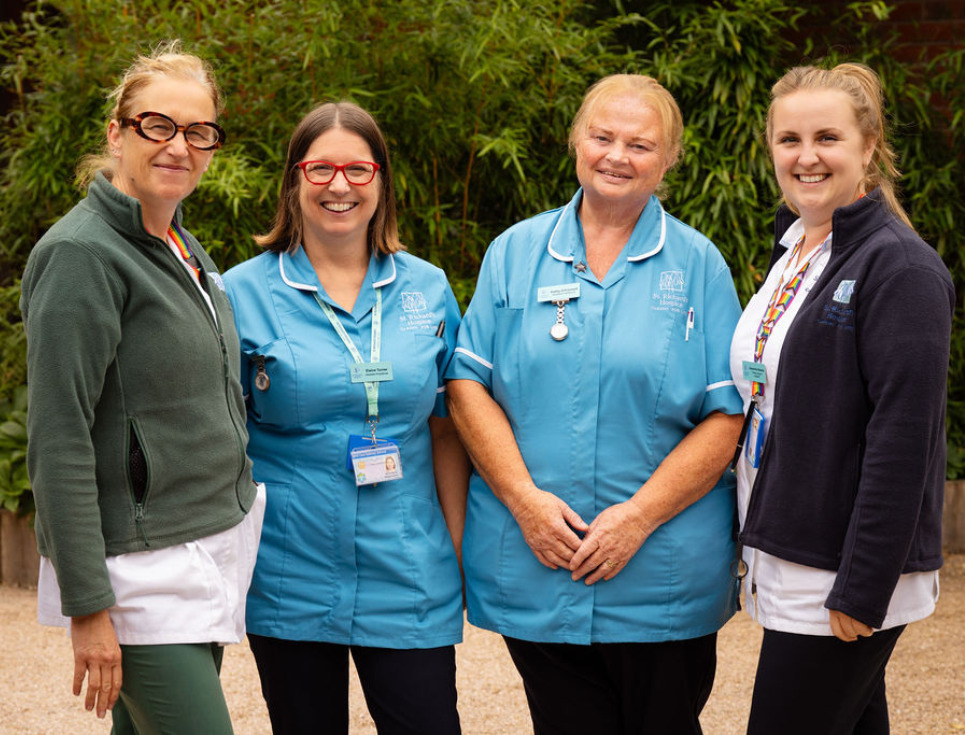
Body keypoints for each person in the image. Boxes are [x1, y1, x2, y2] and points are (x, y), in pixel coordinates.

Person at [445, 74, 744, 734]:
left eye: (640, 143)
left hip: (661, 571)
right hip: (538, 560)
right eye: (602, 135)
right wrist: (523, 499)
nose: (616, 154)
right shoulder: (514, 254)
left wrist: (637, 518)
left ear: (669, 158)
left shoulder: (698, 265)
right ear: (575, 139)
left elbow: (727, 414)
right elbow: (467, 385)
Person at [20, 41, 265, 734]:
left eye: (198, 132)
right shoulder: (80, 255)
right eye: (158, 125)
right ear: (117, 132)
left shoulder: (184, 246)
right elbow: (59, 437)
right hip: (137, 571)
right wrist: (89, 606)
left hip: (201, 544)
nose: (178, 146)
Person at [223, 101, 468, 735]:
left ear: (381, 181)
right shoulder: (239, 293)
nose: (339, 186)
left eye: (358, 170)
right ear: (293, 180)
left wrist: (459, 546)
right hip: (289, 569)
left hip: (409, 566)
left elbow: (449, 425)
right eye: (321, 168)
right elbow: (219, 437)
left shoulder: (428, 288)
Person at [729, 63, 953, 735]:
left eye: (826, 136)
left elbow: (902, 436)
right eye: (787, 139)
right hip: (789, 546)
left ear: (867, 144)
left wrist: (862, 588)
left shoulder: (900, 266)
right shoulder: (795, 248)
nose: (805, 157)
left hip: (838, 568)